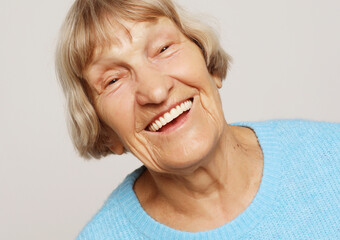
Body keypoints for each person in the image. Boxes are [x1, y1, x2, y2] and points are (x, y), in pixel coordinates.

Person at [55, 0, 340, 239]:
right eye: (114, 80)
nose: (155, 90)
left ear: (209, 63)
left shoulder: (332, 156)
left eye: (164, 49)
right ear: (105, 132)